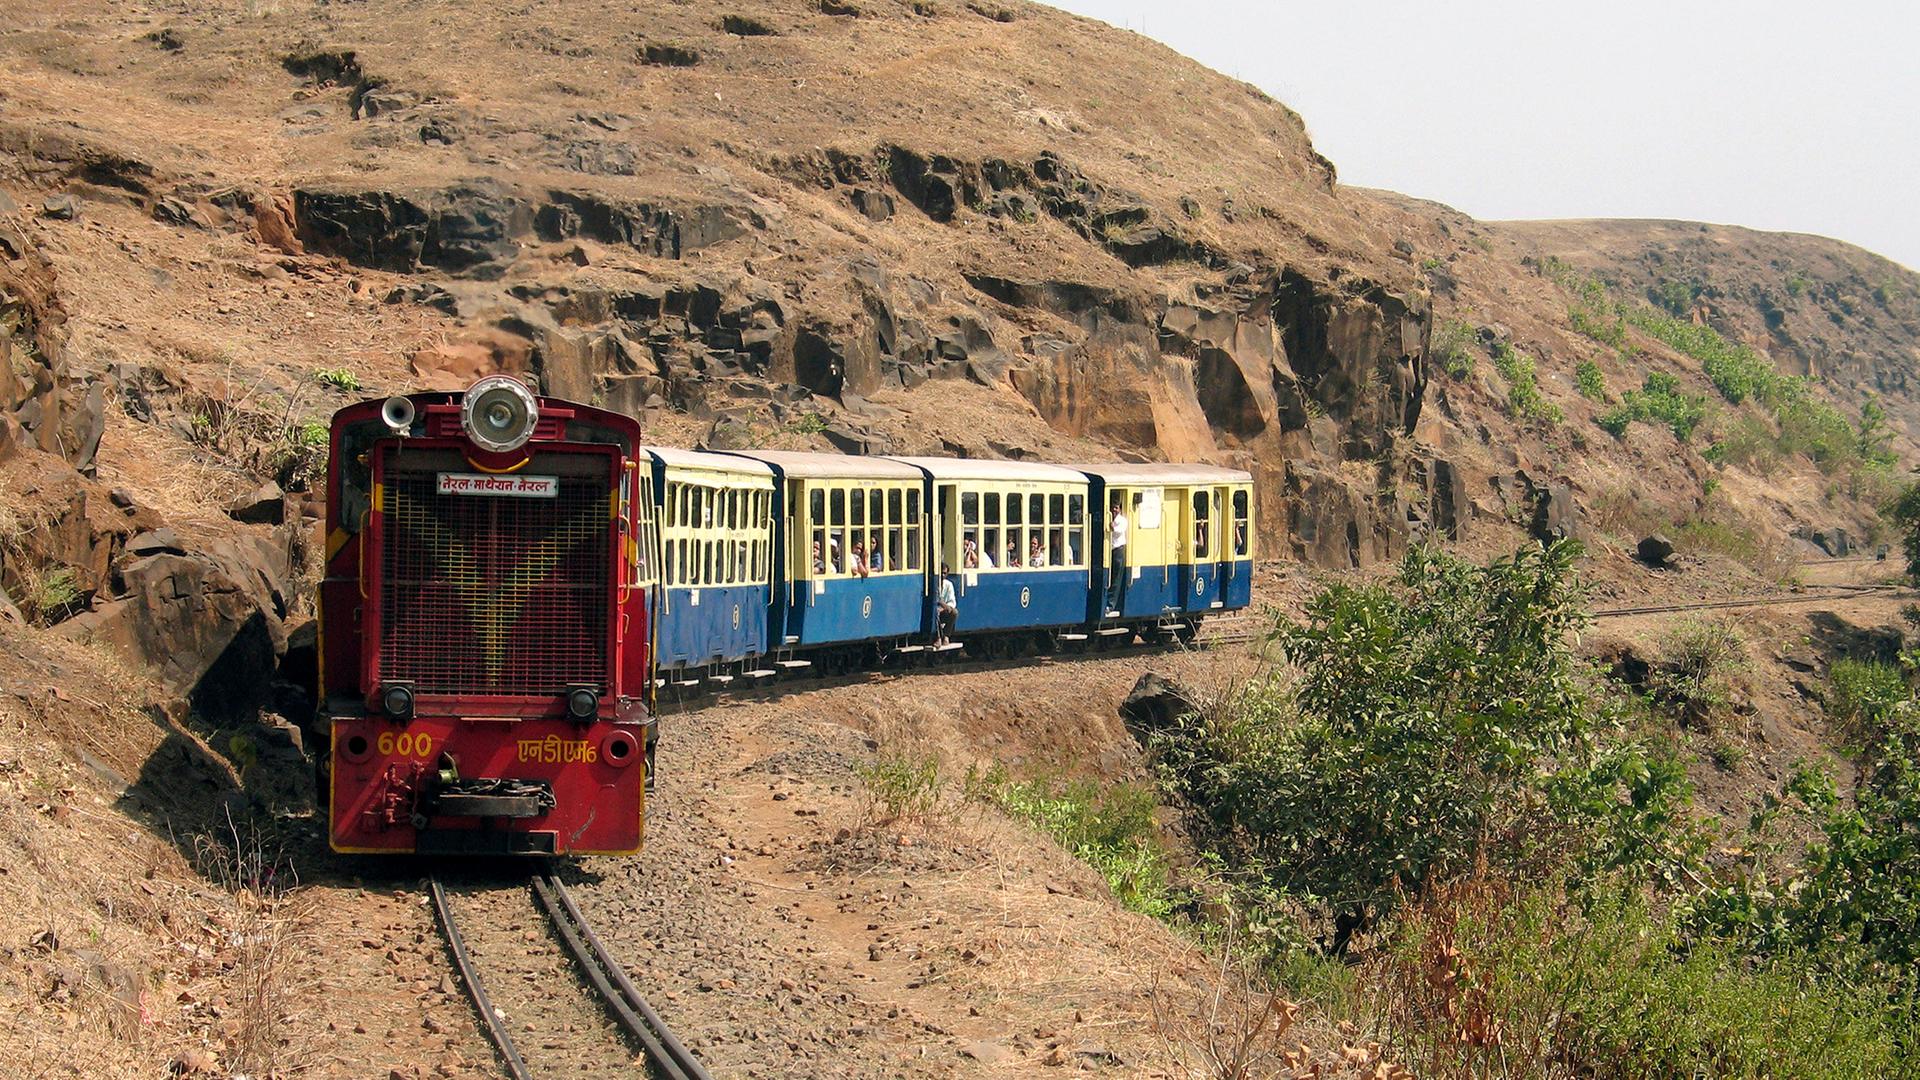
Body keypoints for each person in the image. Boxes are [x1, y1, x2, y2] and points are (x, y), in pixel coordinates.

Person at [1107, 496, 1129, 616]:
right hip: (1109, 550)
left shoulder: (1122, 520)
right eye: (1112, 508)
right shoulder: (1109, 518)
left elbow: (1117, 530)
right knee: (1109, 576)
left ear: (1120, 509)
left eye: (1116, 508)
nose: (1114, 510)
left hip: (1118, 550)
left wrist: (1111, 525)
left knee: (1116, 578)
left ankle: (1111, 605)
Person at [936, 563, 958, 646]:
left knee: (954, 612)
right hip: (936, 610)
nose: (942, 575)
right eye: (941, 573)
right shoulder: (934, 584)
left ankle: (946, 636)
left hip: (944, 610)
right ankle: (938, 638)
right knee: (935, 613)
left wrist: (944, 607)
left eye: (944, 573)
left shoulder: (949, 584)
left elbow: (952, 601)